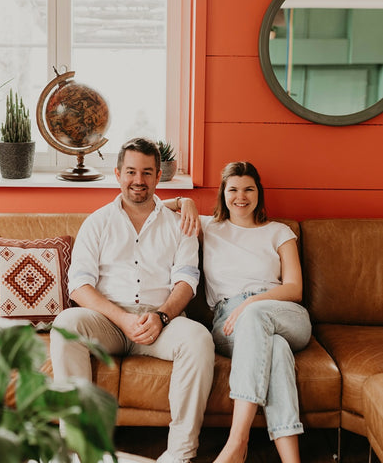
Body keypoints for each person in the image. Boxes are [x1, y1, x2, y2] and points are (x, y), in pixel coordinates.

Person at [50, 137, 215, 463]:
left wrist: (162, 316)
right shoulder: (97, 222)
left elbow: (187, 280)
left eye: (147, 173)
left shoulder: (178, 224)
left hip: (160, 323)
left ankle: (179, 454)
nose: (138, 180)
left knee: (198, 338)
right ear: (117, 173)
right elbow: (79, 285)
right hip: (107, 323)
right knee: (66, 324)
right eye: (131, 172)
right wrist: (122, 319)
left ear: (158, 176)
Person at [165, 162, 312, 463]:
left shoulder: (279, 232)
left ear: (259, 193)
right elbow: (154, 211)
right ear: (223, 193)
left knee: (258, 319)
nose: (240, 196)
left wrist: (250, 305)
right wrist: (185, 200)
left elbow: (294, 288)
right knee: (277, 349)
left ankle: (236, 442)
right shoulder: (209, 227)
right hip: (229, 321)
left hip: (283, 313)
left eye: (249, 189)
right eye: (233, 189)